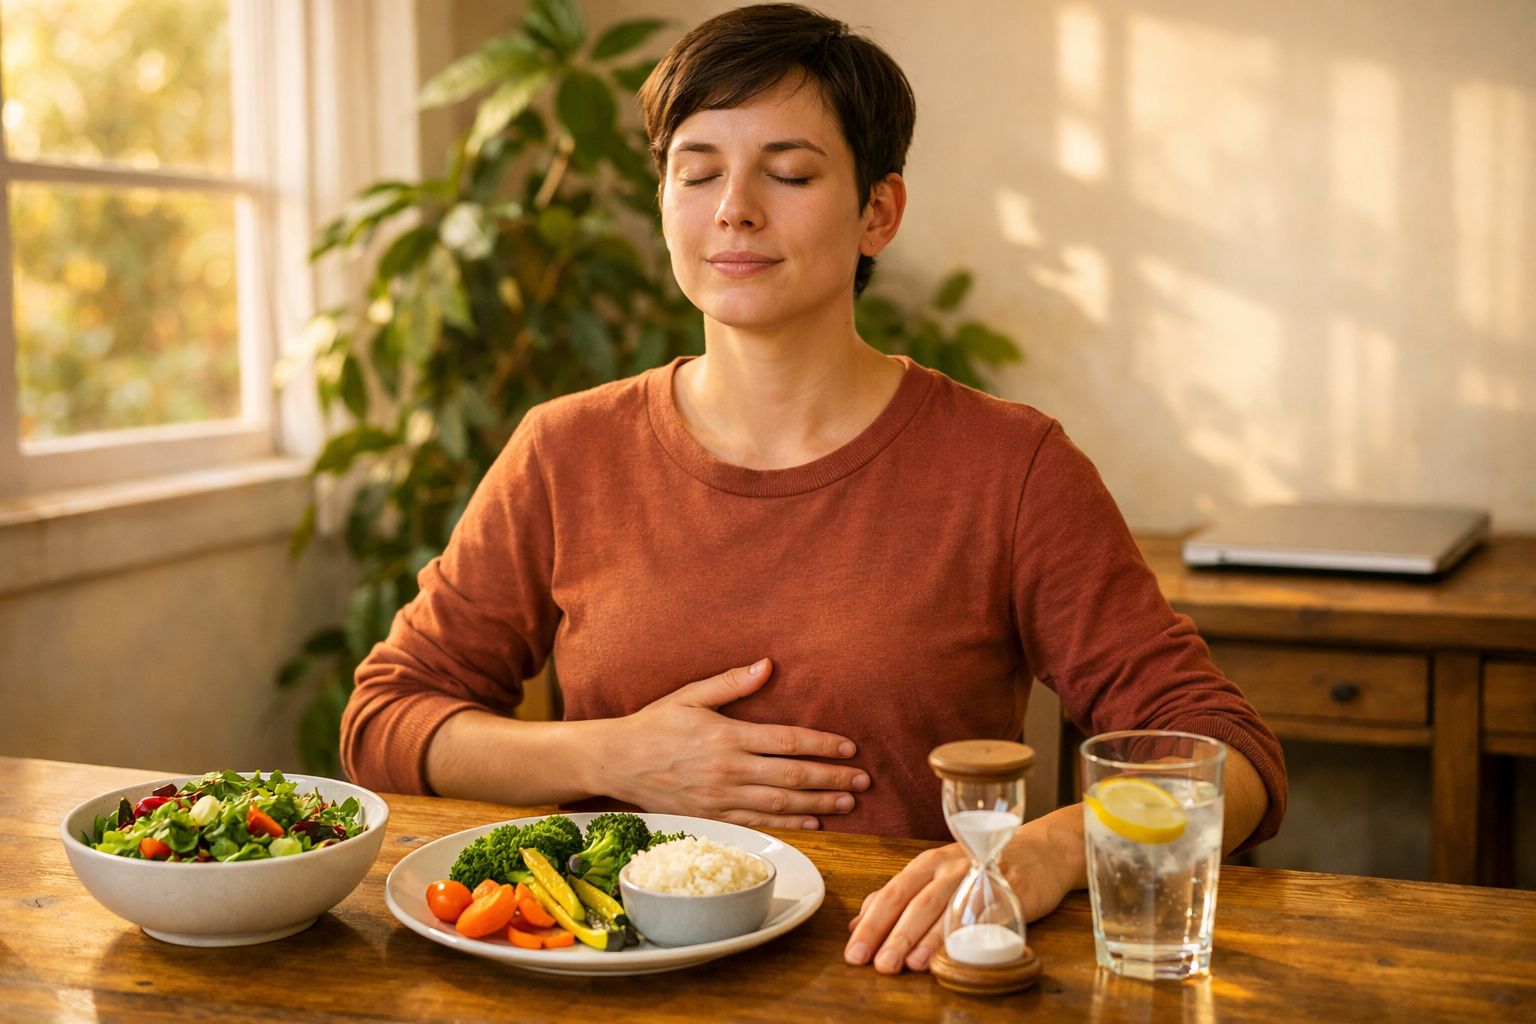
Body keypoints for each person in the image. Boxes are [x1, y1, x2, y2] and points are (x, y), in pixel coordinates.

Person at [340, 2, 1286, 976]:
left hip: (897, 977)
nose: (732, 208)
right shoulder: (564, 449)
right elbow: (384, 719)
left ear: (879, 210)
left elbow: (1230, 757)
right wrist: (611, 756)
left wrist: (1041, 850)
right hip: (610, 988)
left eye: (788, 173)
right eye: (697, 170)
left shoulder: (1011, 467)